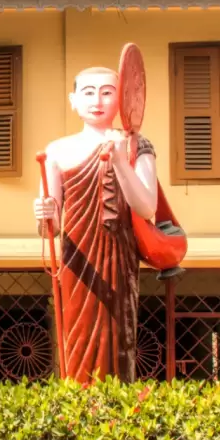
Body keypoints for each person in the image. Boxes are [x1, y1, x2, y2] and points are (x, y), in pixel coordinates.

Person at [34, 66, 158, 383]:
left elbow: (146, 206)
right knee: (76, 339)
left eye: (107, 92)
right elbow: (53, 227)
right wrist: (45, 213)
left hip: (120, 258)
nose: (97, 100)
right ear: (73, 100)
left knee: (120, 339)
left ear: (121, 99)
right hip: (79, 263)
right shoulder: (57, 151)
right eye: (88, 92)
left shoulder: (137, 146)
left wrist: (118, 160)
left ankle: (119, 412)